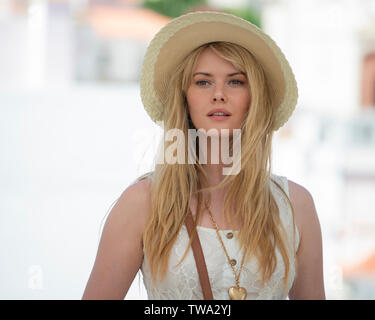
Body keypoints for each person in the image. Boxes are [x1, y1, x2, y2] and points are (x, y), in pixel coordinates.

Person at [82, 11, 325, 300]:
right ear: (184, 99)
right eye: (202, 82)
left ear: (255, 99)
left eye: (235, 81)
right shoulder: (143, 203)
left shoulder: (295, 206)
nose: (219, 94)